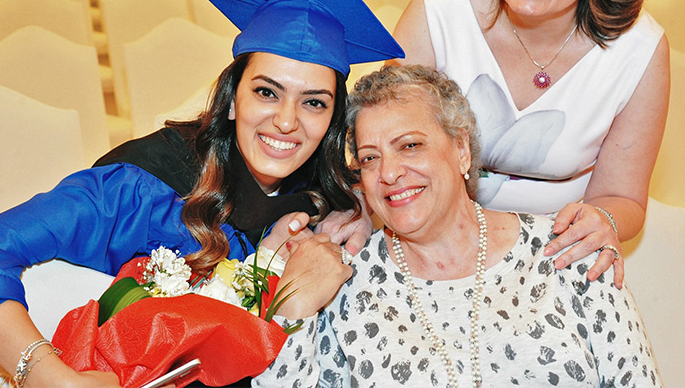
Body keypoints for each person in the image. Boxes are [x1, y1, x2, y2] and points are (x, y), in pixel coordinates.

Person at [0, 0, 403, 387]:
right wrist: (46, 374)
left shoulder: (324, 200)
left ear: (334, 119)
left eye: (314, 102)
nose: (286, 121)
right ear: (233, 95)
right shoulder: (142, 188)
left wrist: (364, 206)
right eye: (267, 91)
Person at [255, 64, 661, 387]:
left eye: (410, 145)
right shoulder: (344, 280)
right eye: (370, 158)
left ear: (462, 150)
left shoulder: (570, 248)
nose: (390, 173)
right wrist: (292, 305)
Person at [391, 0, 669, 286]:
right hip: (426, 246)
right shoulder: (439, 12)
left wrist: (603, 219)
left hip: (555, 260)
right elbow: (386, 148)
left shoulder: (638, 50)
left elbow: (623, 197)